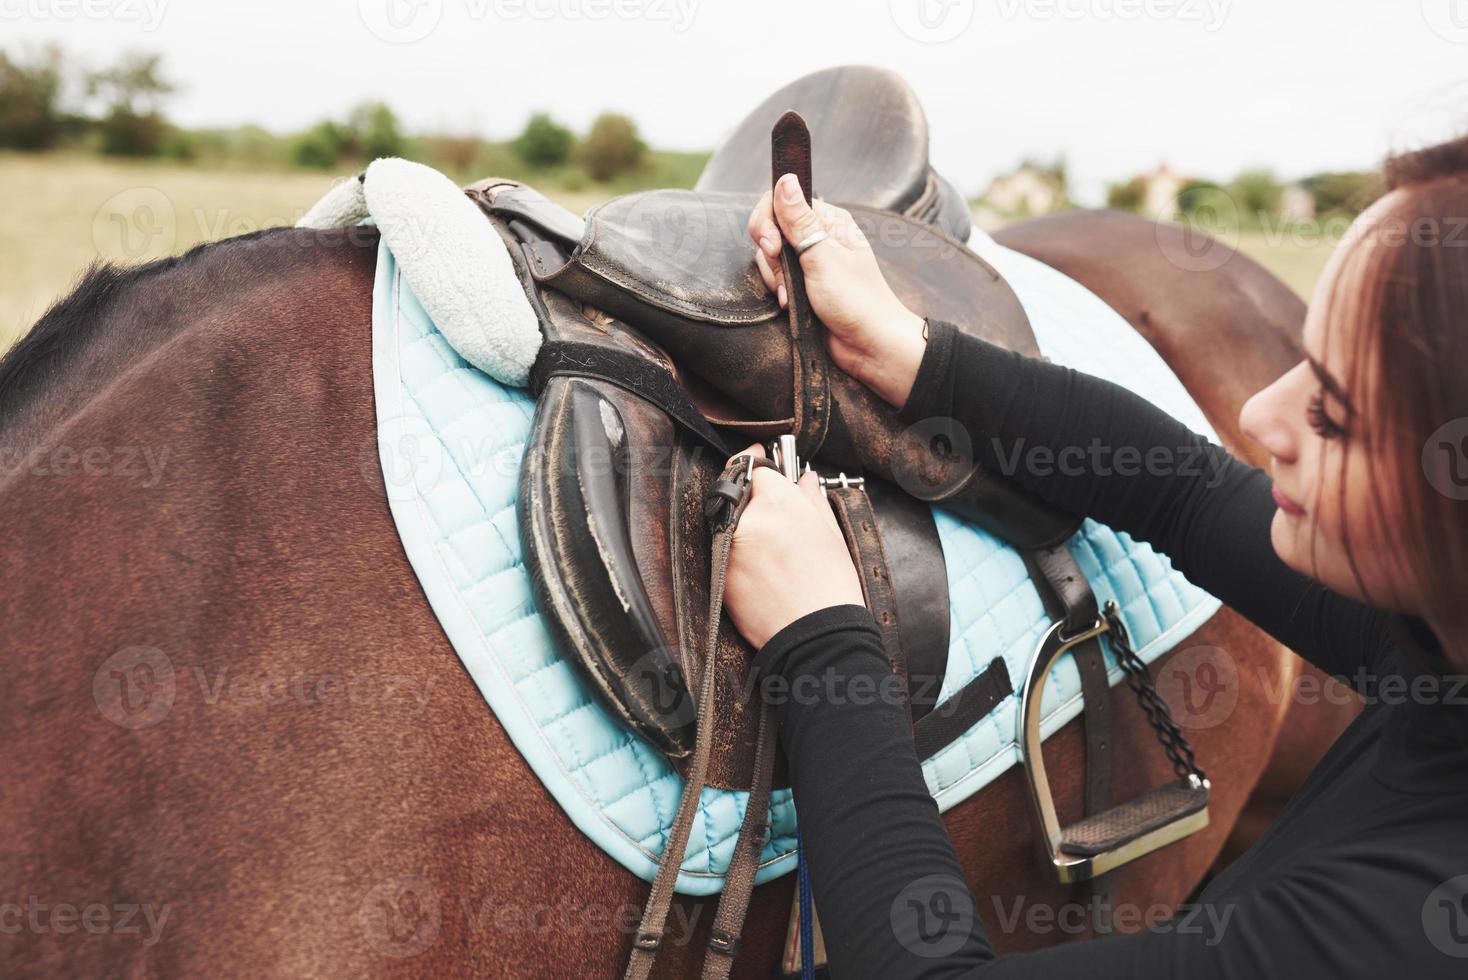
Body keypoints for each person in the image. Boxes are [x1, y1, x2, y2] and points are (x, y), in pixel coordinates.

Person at [722, 136, 1468, 978]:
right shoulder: (1440, 644)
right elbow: (1187, 491)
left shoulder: (1388, 932)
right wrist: (910, 352)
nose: (1261, 414)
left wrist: (822, 637)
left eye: (1333, 415)